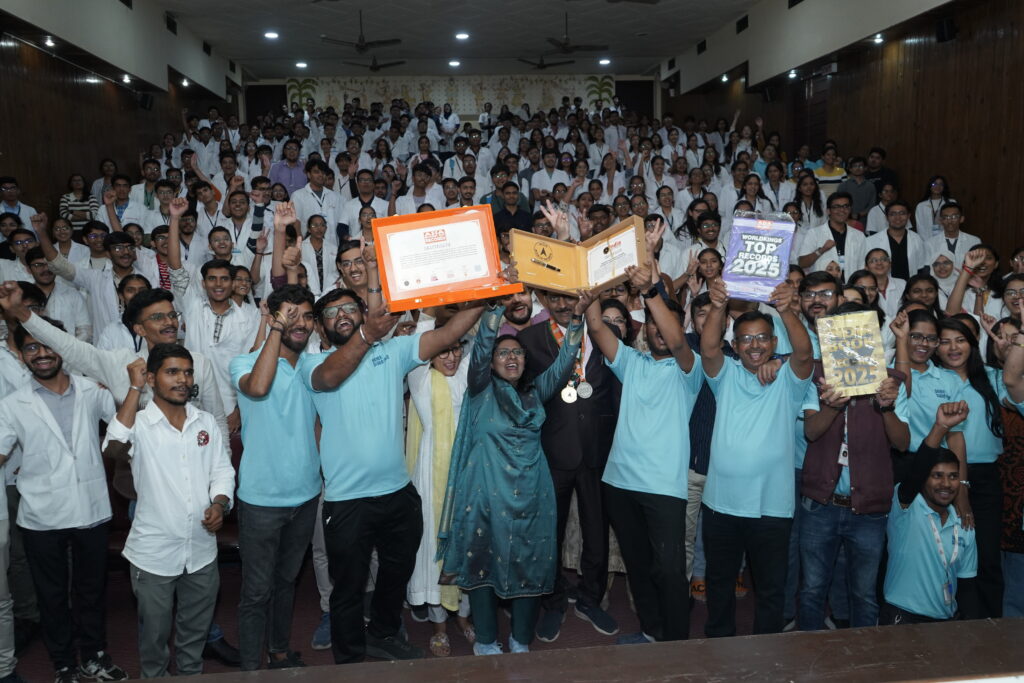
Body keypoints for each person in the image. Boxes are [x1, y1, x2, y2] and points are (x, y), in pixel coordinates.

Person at [300, 255, 487, 663]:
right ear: (319, 326)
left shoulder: (393, 351)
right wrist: (366, 334)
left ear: (362, 310)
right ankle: (348, 658)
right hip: (347, 500)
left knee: (397, 573)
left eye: (350, 307)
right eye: (331, 312)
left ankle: (384, 632)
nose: (343, 315)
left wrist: (490, 291)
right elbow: (332, 377)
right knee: (348, 587)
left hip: (399, 494)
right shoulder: (313, 363)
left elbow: (450, 330)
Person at [437, 291, 590, 655]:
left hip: (532, 497)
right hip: (484, 496)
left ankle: (521, 640)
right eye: (502, 353)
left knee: (530, 568)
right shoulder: (481, 390)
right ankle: (487, 642)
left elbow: (566, 358)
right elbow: (484, 345)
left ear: (525, 361)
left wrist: (578, 320)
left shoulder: (536, 392)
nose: (510, 357)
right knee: (483, 569)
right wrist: (495, 311)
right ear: (489, 363)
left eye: (517, 352)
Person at [0, 316, 126, 683]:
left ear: (62, 347)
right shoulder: (12, 404)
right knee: (51, 595)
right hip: (41, 514)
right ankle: (63, 665)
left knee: (91, 590)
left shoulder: (92, 389)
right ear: (21, 356)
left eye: (47, 345)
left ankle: (94, 656)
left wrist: (119, 387)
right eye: (31, 348)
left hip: (91, 508)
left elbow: (124, 420)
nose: (42, 354)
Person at [584, 259, 702, 644]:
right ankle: (652, 632)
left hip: (663, 489)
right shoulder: (631, 362)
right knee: (638, 567)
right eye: (651, 323)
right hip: (619, 484)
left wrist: (652, 291)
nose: (658, 330)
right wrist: (587, 290)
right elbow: (598, 326)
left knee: (668, 571)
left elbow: (679, 340)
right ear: (644, 329)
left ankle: (676, 644)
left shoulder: (689, 368)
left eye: (665, 322)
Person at [102, 346, 234, 677]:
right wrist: (134, 389)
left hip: (201, 550)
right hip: (154, 555)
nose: (182, 379)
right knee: (155, 640)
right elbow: (113, 445)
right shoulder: (140, 423)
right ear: (151, 378)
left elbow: (222, 470)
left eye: (187, 372)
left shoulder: (204, 422)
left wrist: (220, 503)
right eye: (171, 372)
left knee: (194, 637)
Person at [699, 275, 814, 637]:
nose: (754, 345)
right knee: (719, 587)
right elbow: (708, 350)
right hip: (721, 505)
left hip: (772, 507)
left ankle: (769, 656)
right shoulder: (725, 374)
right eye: (745, 338)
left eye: (762, 338)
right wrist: (718, 306)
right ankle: (718, 650)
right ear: (735, 345)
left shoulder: (789, 380)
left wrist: (786, 308)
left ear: (774, 342)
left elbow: (806, 354)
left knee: (770, 590)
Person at [798, 301, 911, 630]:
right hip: (820, 504)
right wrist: (832, 407)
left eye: (859, 330)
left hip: (869, 510)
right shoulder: (817, 376)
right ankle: (805, 661)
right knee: (812, 590)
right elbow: (811, 431)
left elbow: (903, 443)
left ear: (872, 336)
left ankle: (866, 664)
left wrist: (887, 407)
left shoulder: (890, 381)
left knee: (863, 594)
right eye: (843, 330)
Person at [518, 285, 620, 642]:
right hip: (551, 451)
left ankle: (591, 599)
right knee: (551, 533)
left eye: (568, 297)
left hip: (597, 451)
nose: (563, 305)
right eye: (555, 298)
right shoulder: (528, 339)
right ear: (544, 301)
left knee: (596, 531)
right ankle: (554, 601)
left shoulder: (608, 333)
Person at [230, 286, 320, 670]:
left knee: (286, 584)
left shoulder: (315, 367)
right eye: (290, 315)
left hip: (306, 496)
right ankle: (251, 667)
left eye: (306, 316)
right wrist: (275, 331)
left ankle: (279, 652)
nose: (299, 323)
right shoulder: (243, 363)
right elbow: (259, 387)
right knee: (256, 591)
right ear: (272, 318)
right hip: (261, 500)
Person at [404, 326, 474, 658]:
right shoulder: (419, 377)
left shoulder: (467, 375)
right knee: (432, 548)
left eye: (457, 349)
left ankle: (463, 617)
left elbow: (479, 340)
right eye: (443, 350)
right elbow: (421, 334)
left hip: (468, 472)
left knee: (468, 545)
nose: (451, 357)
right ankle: (439, 627)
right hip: (430, 474)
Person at [882, 402, 977, 624]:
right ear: (924, 478)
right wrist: (940, 427)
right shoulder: (907, 507)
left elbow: (968, 588)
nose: (946, 484)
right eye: (937, 475)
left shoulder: (964, 523)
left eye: (953, 477)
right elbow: (917, 469)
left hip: (945, 623)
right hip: (901, 618)